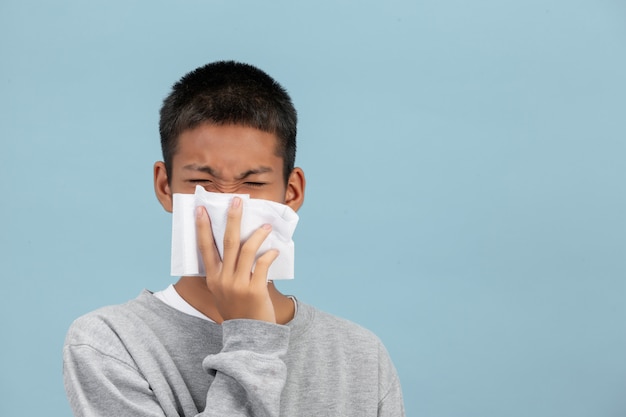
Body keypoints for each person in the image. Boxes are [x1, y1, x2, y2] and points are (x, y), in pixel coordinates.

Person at [63, 60, 405, 417]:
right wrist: (252, 338)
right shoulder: (109, 343)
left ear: (291, 192)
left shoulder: (361, 355)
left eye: (253, 183)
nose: (228, 206)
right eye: (202, 183)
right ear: (165, 187)